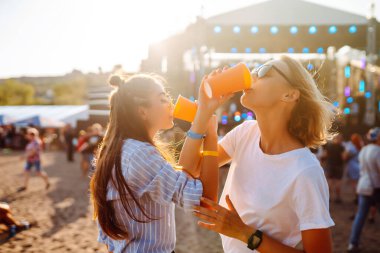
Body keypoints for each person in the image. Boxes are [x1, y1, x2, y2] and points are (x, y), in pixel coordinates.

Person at [192, 55, 335, 252]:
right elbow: (193, 169)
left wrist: (245, 233)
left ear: (290, 95)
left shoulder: (305, 172)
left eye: (264, 71)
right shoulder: (245, 133)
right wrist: (203, 113)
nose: (252, 75)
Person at [90, 73, 226, 252]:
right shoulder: (140, 154)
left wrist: (201, 121)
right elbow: (205, 200)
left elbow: (186, 173)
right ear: (142, 111)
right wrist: (211, 134)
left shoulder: (121, 150)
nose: (171, 103)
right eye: (162, 99)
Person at [347, 127, 380, 252]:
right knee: (361, 215)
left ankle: (352, 243)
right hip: (375, 187)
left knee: (360, 216)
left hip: (363, 186)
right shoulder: (378, 151)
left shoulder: (364, 149)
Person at [323, 133, 345, 203]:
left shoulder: (329, 146)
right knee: (338, 183)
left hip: (330, 165)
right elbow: (343, 157)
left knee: (330, 182)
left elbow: (325, 155)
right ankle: (338, 198)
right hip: (338, 166)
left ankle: (328, 198)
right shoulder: (341, 147)